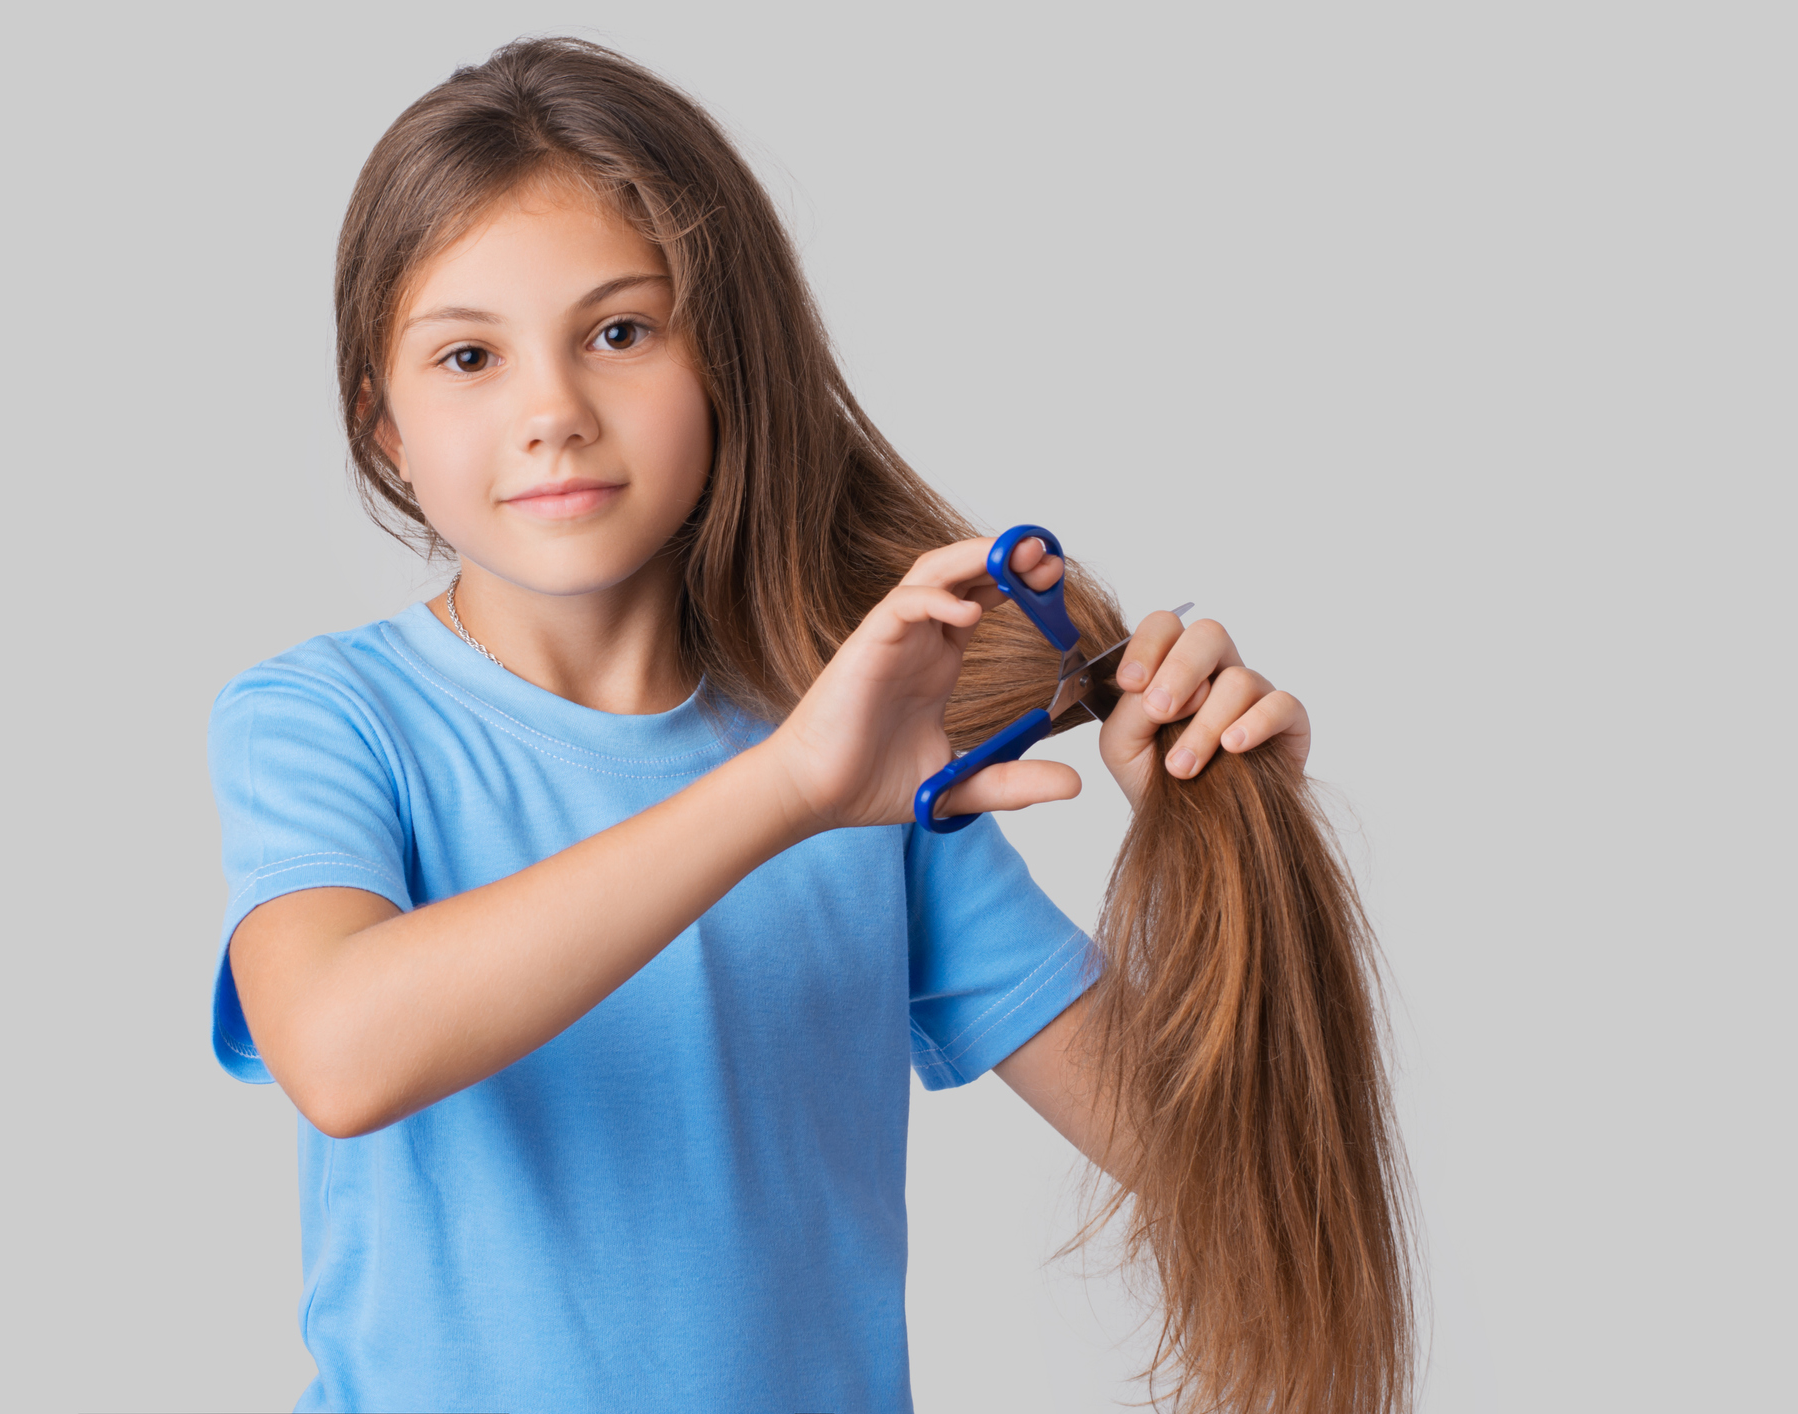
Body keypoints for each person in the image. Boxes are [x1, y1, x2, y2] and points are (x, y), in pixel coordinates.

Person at [209, 37, 1412, 1414]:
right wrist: (788, 787)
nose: (550, 412)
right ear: (384, 430)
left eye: (619, 331)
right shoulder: (325, 721)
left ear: (728, 367)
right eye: (468, 355)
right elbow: (344, 1051)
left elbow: (1236, 1184)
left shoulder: (875, 769)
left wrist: (1216, 836)